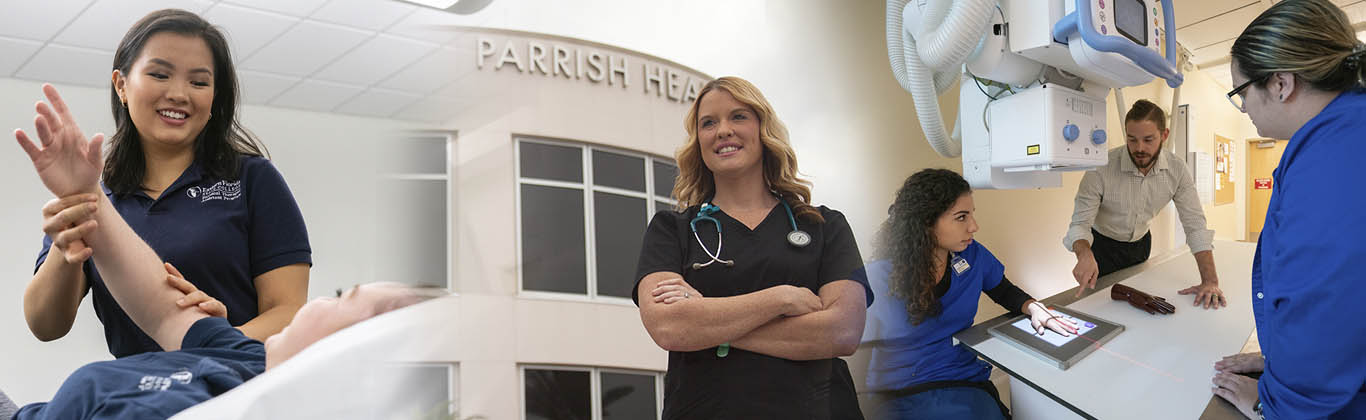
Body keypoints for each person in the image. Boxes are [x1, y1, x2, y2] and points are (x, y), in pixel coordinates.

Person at [5, 83, 441, 420]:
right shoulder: (247, 356)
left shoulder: (252, 404)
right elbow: (161, 308)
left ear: (355, 350)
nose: (327, 296)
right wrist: (86, 193)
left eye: (346, 295)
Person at [24, 9, 311, 358]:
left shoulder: (252, 179)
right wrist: (68, 236)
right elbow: (45, 326)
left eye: (199, 82)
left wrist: (214, 344)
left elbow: (289, 312)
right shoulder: (99, 197)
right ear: (122, 85)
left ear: (214, 98)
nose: (179, 93)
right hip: (143, 397)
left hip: (236, 385)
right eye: (160, 74)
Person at [633, 76, 871, 419]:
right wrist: (782, 299)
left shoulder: (823, 226)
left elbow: (843, 331)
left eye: (739, 116)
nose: (723, 130)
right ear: (698, 141)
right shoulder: (672, 230)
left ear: (763, 129)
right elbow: (669, 327)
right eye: (709, 123)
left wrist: (708, 324)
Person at [1210, 0, 1366, 418]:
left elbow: (1326, 308)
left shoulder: (1334, 157)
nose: (1243, 108)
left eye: (1241, 93)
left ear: (1280, 84)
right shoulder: (1341, 132)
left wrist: (1275, 402)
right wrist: (1278, 362)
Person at [859, 169, 1077, 420]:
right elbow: (857, 355)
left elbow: (1003, 290)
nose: (974, 226)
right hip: (900, 391)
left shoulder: (971, 256)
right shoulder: (877, 279)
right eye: (961, 217)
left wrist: (1033, 307)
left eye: (972, 215)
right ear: (926, 222)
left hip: (961, 377)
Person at [1063, 99, 1225, 308]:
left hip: (1140, 245)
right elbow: (1079, 224)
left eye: (1149, 140)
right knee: (1103, 307)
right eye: (1132, 139)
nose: (1139, 148)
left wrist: (1210, 281)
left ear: (1164, 135)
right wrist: (1084, 253)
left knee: (1137, 304)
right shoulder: (1101, 168)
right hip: (1101, 247)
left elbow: (1195, 226)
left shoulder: (1177, 170)